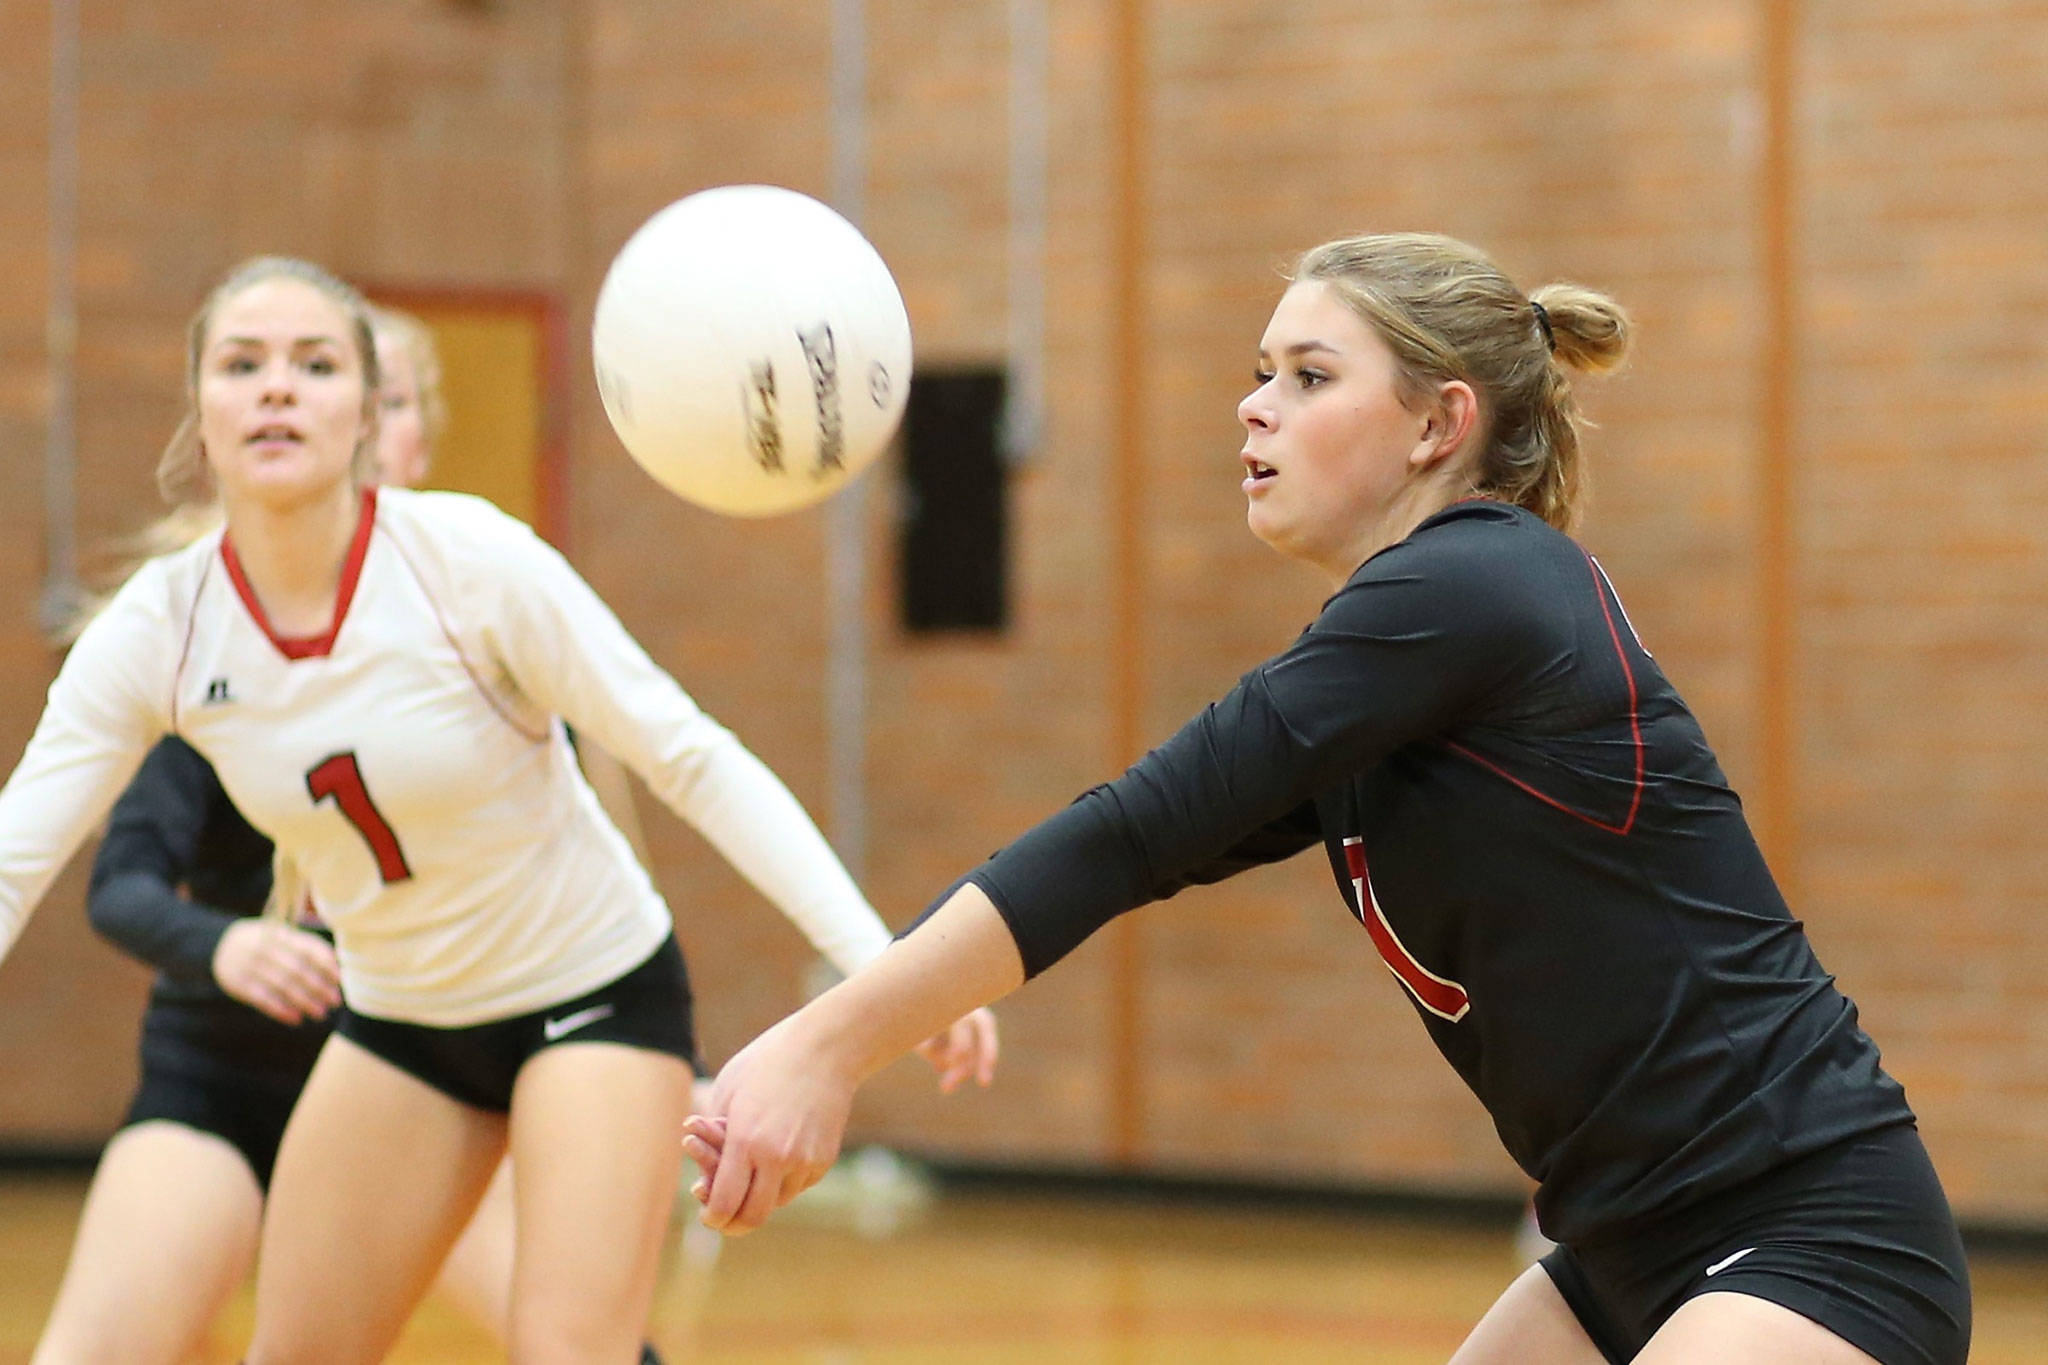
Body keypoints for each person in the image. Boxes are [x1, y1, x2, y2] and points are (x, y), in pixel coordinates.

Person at [683, 233, 1971, 1365]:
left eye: (1308, 376)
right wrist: (866, 1017)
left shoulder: (1475, 589)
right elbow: (1126, 856)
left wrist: (823, 1044)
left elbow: (1134, 821)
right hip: (1620, 1255)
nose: (1253, 409)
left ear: (1435, 425)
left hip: (1813, 1238)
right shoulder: (1403, 664)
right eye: (1259, 372)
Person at [0, 256, 996, 1365]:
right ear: (201, 411)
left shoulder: (470, 564)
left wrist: (878, 963)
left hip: (590, 1000)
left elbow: (691, 759)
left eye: (315, 364)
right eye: (242, 364)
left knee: (569, 1353)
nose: (277, 387)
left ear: (370, 415)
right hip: (401, 1024)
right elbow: (18, 857)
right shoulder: (160, 630)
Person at [29, 304, 669, 1364]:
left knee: (585, 1337)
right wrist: (224, 944)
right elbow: (119, 882)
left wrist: (635, 1049)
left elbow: (591, 895)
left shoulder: (480, 603)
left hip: (430, 1065)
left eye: (394, 402)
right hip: (225, 1079)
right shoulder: (201, 631)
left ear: (399, 431)